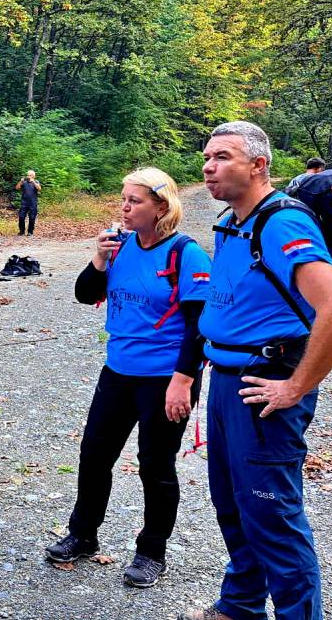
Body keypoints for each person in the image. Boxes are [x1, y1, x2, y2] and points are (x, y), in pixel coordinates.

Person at [177, 121, 332, 620]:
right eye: (207, 157)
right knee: (233, 504)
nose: (209, 166)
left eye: (224, 157)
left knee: (274, 518)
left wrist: (297, 385)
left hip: (266, 387)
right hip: (229, 383)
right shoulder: (233, 223)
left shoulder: (281, 224)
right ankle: (243, 607)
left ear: (259, 165)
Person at [46, 168, 210, 588]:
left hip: (164, 378)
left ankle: (152, 551)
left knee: (155, 465)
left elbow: (199, 327)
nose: (124, 207)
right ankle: (83, 534)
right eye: (123, 198)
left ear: (161, 206)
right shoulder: (119, 248)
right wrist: (98, 258)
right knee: (94, 454)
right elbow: (85, 294)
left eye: (135, 200)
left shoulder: (185, 254)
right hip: (117, 371)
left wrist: (184, 380)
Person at [15, 170, 41, 236]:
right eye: (28, 175)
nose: (28, 176)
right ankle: (22, 231)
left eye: (30, 175)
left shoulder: (36, 182)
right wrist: (21, 181)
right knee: (21, 217)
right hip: (24, 202)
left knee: (32, 218)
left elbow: (39, 189)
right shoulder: (24, 182)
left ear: (33, 176)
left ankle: (30, 232)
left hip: (33, 203)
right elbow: (17, 188)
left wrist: (33, 182)